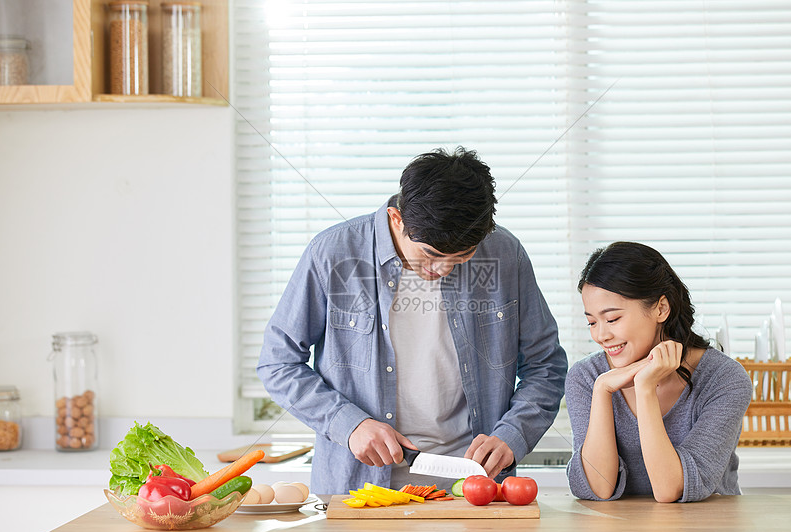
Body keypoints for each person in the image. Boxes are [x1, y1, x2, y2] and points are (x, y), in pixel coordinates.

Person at [257, 147, 568, 495]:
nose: (442, 270)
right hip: (360, 487)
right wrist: (347, 424)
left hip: (474, 488)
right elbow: (278, 363)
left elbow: (546, 365)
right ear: (396, 218)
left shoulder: (505, 254)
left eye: (462, 257)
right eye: (431, 255)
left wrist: (513, 433)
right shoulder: (333, 253)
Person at [565, 241, 752, 503]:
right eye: (592, 322)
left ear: (661, 308)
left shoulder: (724, 379)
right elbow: (598, 487)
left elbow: (670, 489)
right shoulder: (587, 377)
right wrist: (601, 390)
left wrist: (645, 388)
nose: (601, 335)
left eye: (613, 319)